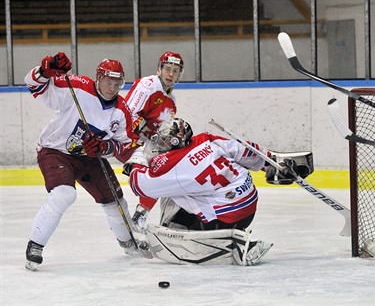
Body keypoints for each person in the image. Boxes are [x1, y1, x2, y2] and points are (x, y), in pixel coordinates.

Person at [124, 118, 313, 265]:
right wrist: (270, 163)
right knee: (189, 190)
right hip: (249, 207)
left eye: (165, 140)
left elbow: (140, 184)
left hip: (224, 218)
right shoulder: (205, 139)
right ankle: (230, 229)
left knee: (170, 193)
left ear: (175, 142)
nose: (161, 144)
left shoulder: (173, 165)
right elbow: (245, 151)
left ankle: (213, 239)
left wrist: (137, 160)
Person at [23, 52, 148, 271]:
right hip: (55, 151)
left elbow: (125, 146)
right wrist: (44, 72)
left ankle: (128, 242)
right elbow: (34, 86)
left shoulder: (122, 110)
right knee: (64, 194)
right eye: (108, 82)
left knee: (115, 200)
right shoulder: (77, 87)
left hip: (90, 158)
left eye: (117, 84)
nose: (112, 88)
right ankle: (35, 245)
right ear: (98, 79)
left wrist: (104, 147)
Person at [120, 51, 184, 229]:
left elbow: (162, 130)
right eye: (168, 69)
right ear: (159, 69)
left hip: (146, 144)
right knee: (161, 170)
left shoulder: (171, 100)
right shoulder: (148, 85)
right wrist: (147, 131)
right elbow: (127, 114)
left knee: (175, 167)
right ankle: (141, 216)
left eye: (175, 71)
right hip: (127, 140)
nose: (171, 74)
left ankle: (168, 220)